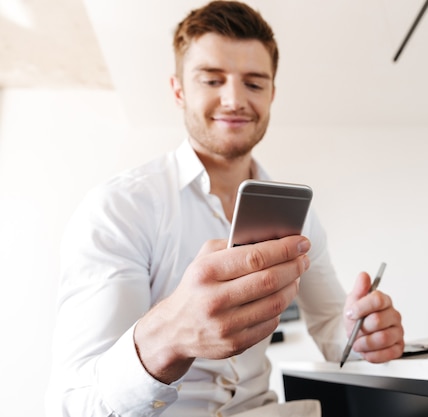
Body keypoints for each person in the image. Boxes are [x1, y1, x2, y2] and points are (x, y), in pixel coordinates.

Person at [45, 1, 404, 416]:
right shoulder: (119, 209)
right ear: (179, 90)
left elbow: (330, 329)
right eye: (213, 80)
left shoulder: (299, 214)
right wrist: (171, 337)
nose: (234, 100)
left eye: (254, 83)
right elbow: (72, 406)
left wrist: (365, 336)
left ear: (272, 93)